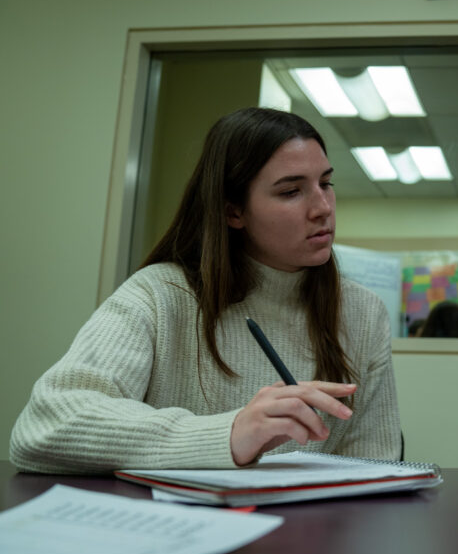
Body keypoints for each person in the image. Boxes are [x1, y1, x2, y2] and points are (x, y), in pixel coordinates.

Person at [10, 107, 402, 473]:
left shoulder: (362, 311)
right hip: (175, 535)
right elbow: (45, 425)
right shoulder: (160, 293)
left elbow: (375, 467)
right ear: (234, 212)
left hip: (310, 539)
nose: (323, 207)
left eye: (326, 183)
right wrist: (228, 435)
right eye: (290, 191)